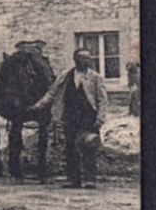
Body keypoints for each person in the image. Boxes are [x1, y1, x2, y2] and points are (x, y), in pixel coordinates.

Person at [32, 48, 111, 189]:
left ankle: (90, 180)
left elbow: (102, 100)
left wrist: (100, 119)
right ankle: (73, 179)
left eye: (88, 58)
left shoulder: (96, 78)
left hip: (88, 117)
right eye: (83, 58)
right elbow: (52, 93)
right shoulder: (65, 76)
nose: (86, 61)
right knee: (70, 148)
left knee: (88, 147)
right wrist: (37, 106)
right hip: (70, 116)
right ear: (75, 60)